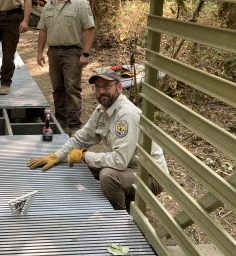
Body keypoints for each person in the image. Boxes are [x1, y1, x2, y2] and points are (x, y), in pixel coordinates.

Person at [27, 69, 168, 211]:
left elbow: (119, 161)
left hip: (150, 176)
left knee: (108, 176)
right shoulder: (102, 110)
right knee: (72, 161)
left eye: (107, 86)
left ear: (119, 87)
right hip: (127, 167)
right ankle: (118, 198)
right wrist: (56, 156)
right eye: (98, 87)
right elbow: (80, 138)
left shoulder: (126, 115)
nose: (101, 91)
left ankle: (121, 218)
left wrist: (84, 155)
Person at [37, 0, 95, 136]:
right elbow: (42, 30)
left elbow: (89, 29)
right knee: (57, 88)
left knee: (72, 89)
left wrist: (85, 53)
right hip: (54, 52)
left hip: (72, 52)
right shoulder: (48, 6)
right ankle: (61, 120)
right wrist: (40, 52)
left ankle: (75, 124)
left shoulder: (80, 4)